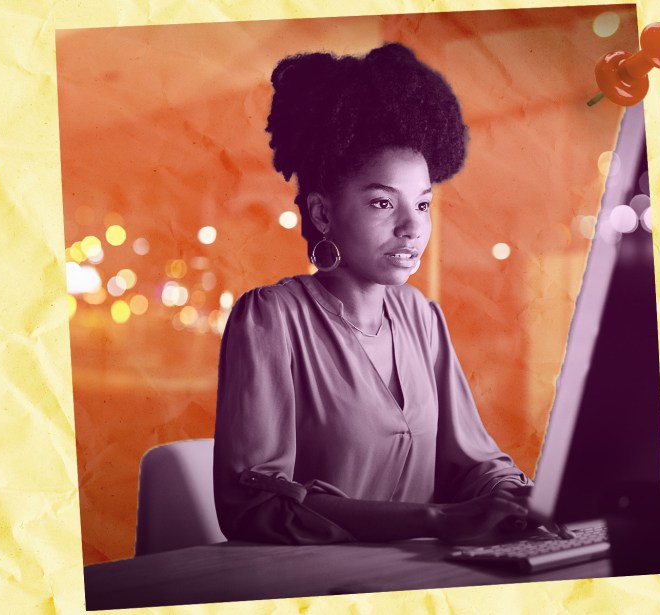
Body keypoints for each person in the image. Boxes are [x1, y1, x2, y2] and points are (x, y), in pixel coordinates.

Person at [213, 42, 545, 545]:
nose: (413, 227)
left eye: (424, 203)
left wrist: (523, 498)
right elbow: (254, 506)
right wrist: (436, 522)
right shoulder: (271, 319)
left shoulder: (421, 317)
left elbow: (473, 463)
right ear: (323, 213)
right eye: (382, 203)